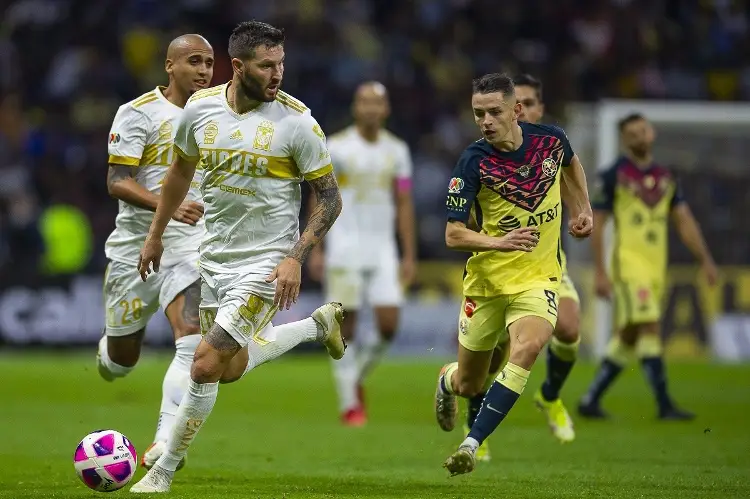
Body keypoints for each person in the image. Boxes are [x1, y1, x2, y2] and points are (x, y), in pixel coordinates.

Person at [130, 21, 346, 493]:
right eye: (267, 65)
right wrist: (155, 234)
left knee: (204, 364)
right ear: (239, 66)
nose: (277, 73)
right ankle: (315, 327)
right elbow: (178, 173)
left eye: (281, 63)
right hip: (215, 257)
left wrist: (295, 257)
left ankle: (163, 470)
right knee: (225, 372)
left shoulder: (298, 123)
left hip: (268, 263)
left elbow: (329, 199)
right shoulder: (201, 108)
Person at [99, 34, 246, 470]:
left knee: (191, 337)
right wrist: (168, 205)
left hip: (192, 243)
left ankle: (165, 441)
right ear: (169, 66)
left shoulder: (221, 113)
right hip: (134, 247)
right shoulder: (138, 112)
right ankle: (109, 350)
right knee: (122, 361)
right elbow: (116, 181)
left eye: (209, 63)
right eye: (193, 62)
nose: (203, 71)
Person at [435, 73, 593, 477]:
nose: (485, 121)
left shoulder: (551, 140)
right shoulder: (472, 162)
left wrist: (582, 209)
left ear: (516, 111)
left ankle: (471, 445)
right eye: (478, 113)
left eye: (494, 112)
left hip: (538, 279)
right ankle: (447, 379)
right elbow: (453, 234)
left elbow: (571, 165)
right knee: (471, 383)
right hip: (487, 284)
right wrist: (499, 242)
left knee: (528, 347)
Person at [578, 113, 718, 420]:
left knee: (629, 335)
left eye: (642, 131)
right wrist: (600, 271)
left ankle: (590, 400)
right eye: (631, 134)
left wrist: (705, 259)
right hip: (629, 265)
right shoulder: (614, 175)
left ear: (652, 133)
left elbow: (684, 222)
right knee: (650, 326)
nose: (638, 137)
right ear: (624, 140)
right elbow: (597, 225)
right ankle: (665, 404)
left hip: (656, 267)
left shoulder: (666, 178)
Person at [307, 81, 416, 426]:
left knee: (388, 325)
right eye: (364, 102)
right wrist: (316, 246)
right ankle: (349, 404)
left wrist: (408, 254)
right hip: (344, 246)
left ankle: (354, 378)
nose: (370, 108)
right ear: (356, 107)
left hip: (383, 247)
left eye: (377, 103)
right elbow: (320, 197)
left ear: (386, 110)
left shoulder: (397, 151)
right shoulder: (336, 147)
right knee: (345, 328)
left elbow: (403, 202)